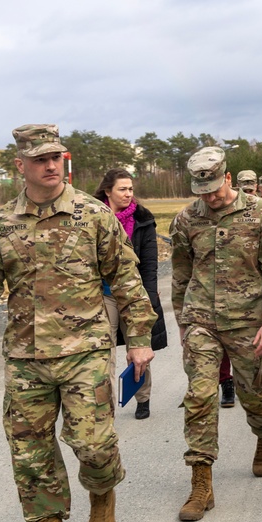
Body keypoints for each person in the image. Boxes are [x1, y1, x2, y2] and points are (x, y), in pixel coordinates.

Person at [0, 124, 156, 522]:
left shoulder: (91, 215)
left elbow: (126, 279)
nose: (49, 165)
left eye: (56, 158)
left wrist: (139, 339)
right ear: (20, 166)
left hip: (85, 351)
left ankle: (102, 497)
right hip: (25, 358)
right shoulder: (2, 223)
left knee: (93, 445)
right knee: (29, 452)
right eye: (39, 159)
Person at [170, 146, 262, 522]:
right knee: (200, 396)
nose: (209, 197)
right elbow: (181, 275)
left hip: (248, 321)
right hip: (202, 318)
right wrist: (184, 323)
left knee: (253, 392)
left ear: (229, 179)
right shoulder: (186, 219)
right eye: (202, 191)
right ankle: (201, 482)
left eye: (215, 190)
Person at [94, 168, 168, 420]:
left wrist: (148, 297)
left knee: (139, 348)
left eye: (131, 189)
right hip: (102, 294)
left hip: (133, 294)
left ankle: (143, 398)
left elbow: (149, 263)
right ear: (108, 191)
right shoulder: (94, 216)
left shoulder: (143, 218)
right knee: (100, 352)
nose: (128, 194)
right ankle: (103, 403)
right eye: (122, 189)